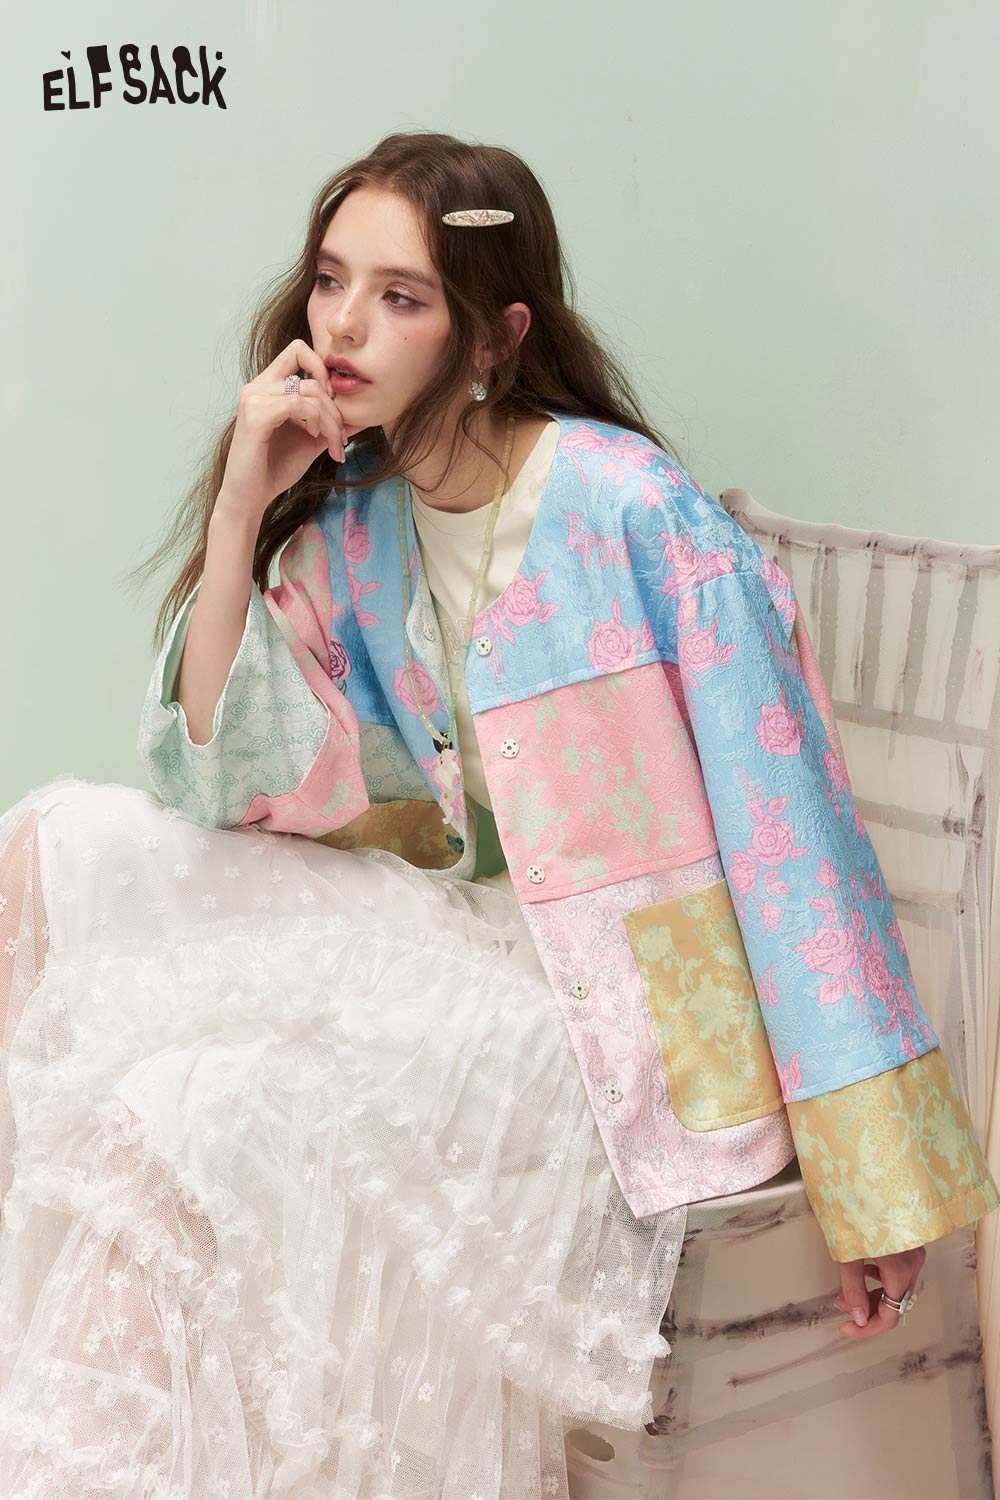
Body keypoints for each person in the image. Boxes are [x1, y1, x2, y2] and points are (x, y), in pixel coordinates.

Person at [0, 130, 995, 1498]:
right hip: (466, 936)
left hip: (619, 1027)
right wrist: (240, 505)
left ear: (492, 334)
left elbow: (794, 839)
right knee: (51, 849)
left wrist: (870, 1182)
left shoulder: (633, 512)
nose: (343, 327)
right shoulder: (365, 519)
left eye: (399, 296)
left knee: (189, 1104)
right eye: (332, 282)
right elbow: (223, 782)